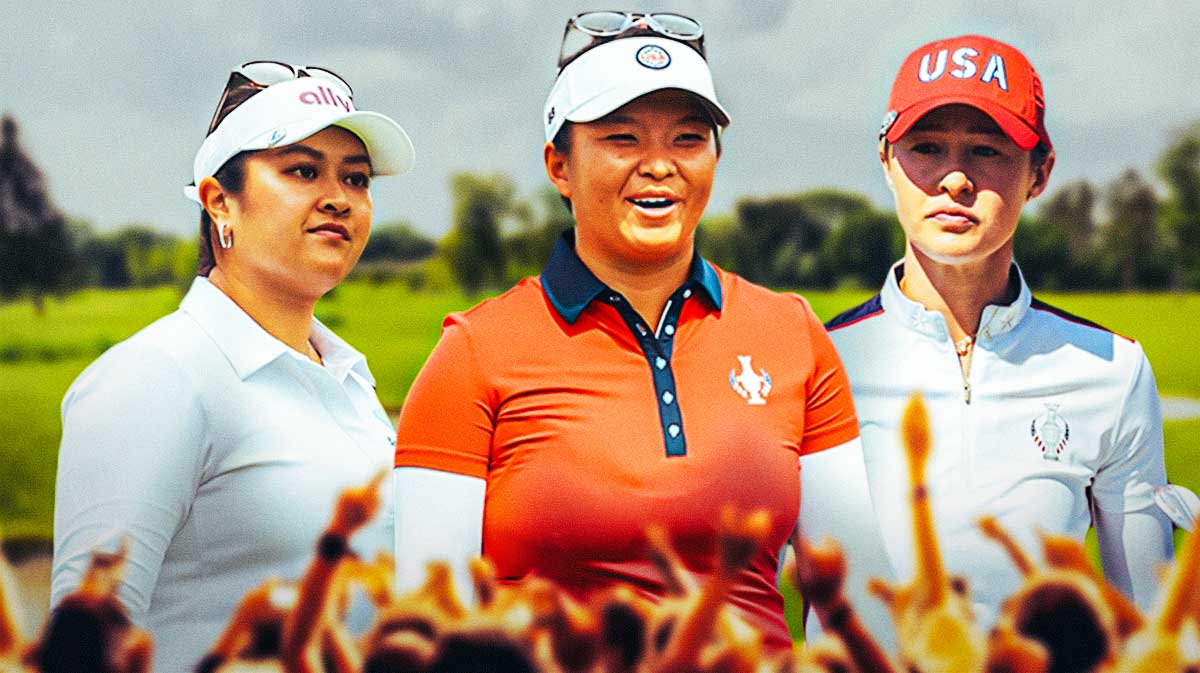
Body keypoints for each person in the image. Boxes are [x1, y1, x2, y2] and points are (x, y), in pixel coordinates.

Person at [392, 11, 880, 654]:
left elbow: (859, 595)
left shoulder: (790, 332)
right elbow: (431, 624)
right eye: (622, 139)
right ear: (559, 166)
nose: (659, 165)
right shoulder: (476, 354)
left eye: (687, 139)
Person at [52, 61, 415, 672]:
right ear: (221, 201)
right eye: (302, 170)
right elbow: (86, 643)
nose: (339, 198)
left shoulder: (347, 376)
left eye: (357, 179)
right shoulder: (157, 378)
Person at [825, 35, 1173, 632]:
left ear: (1040, 173)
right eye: (925, 147)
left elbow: (1148, 625)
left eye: (987, 150)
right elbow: (745, 605)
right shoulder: (813, 359)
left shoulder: (1111, 368)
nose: (954, 178)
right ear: (886, 161)